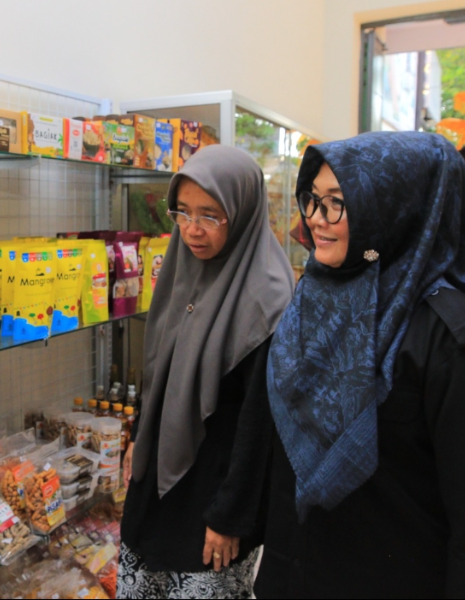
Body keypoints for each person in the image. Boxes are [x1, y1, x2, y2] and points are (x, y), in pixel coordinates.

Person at [257, 132, 465, 598]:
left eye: (338, 202)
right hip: (300, 572)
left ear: (397, 209)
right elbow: (283, 457)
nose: (316, 218)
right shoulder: (314, 297)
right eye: (312, 200)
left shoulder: (447, 337)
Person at [118, 145, 295, 599]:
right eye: (182, 212)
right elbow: (158, 367)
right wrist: (138, 436)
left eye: (211, 216)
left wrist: (231, 515)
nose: (192, 230)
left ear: (243, 212)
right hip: (156, 483)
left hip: (211, 498)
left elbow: (260, 425)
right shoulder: (183, 268)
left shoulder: (268, 297)